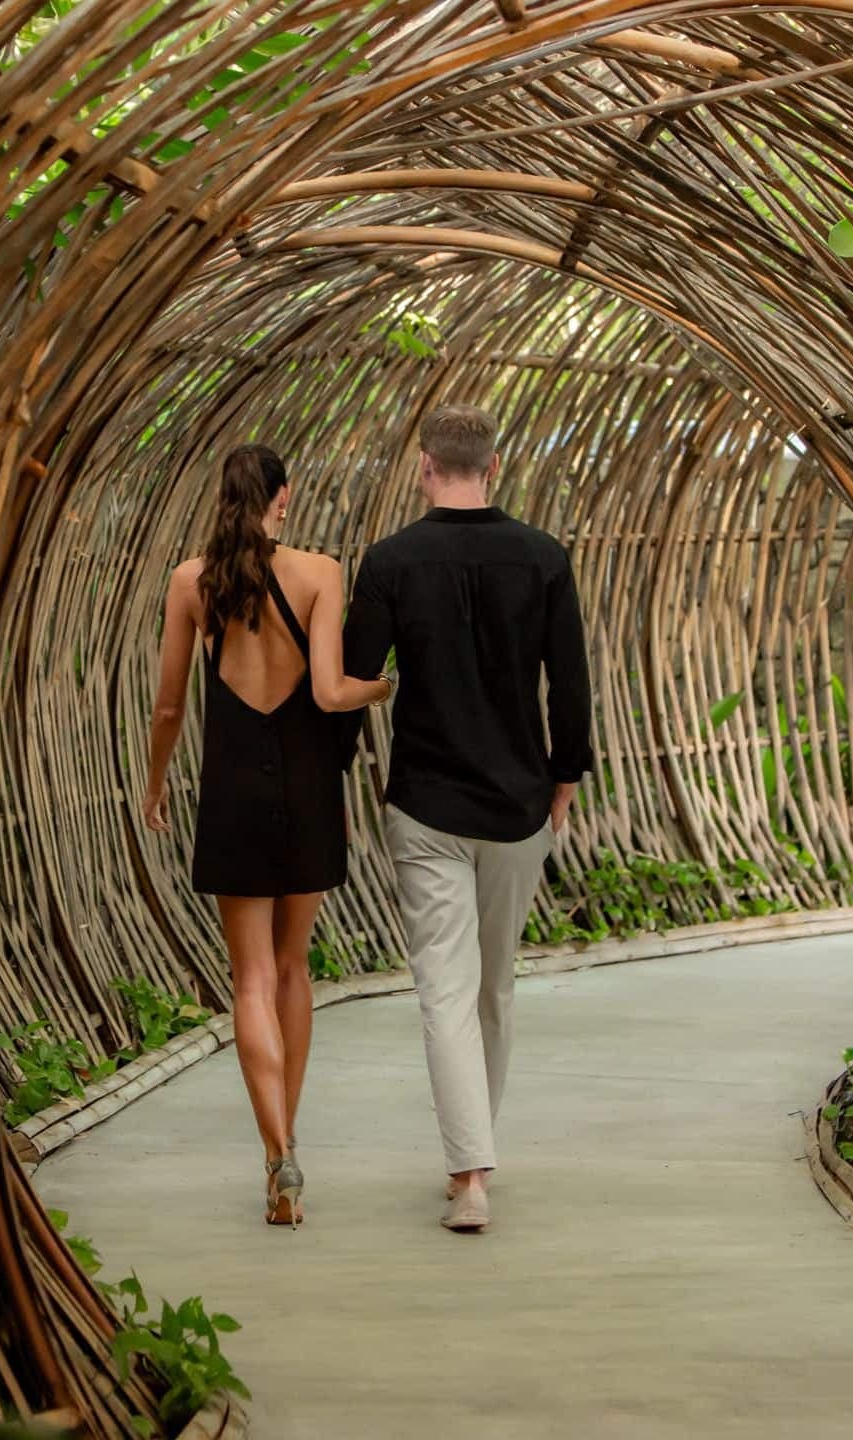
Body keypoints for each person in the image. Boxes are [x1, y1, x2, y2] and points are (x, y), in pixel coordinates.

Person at [343, 403, 593, 1234]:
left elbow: (352, 678)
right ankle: (475, 1159)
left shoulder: (388, 561)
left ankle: (470, 1172)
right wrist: (564, 779)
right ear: (495, 465)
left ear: (424, 466)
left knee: (443, 990)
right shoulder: (544, 557)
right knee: (493, 988)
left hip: (425, 802)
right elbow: (571, 681)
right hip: (519, 804)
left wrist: (343, 759)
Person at [142, 443, 391, 1227]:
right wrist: (387, 685)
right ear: (283, 497)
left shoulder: (191, 582)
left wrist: (154, 783)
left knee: (248, 977)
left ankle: (277, 1150)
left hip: (231, 785)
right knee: (292, 967)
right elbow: (329, 689)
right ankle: (286, 1142)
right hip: (309, 780)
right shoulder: (320, 572)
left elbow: (170, 706)